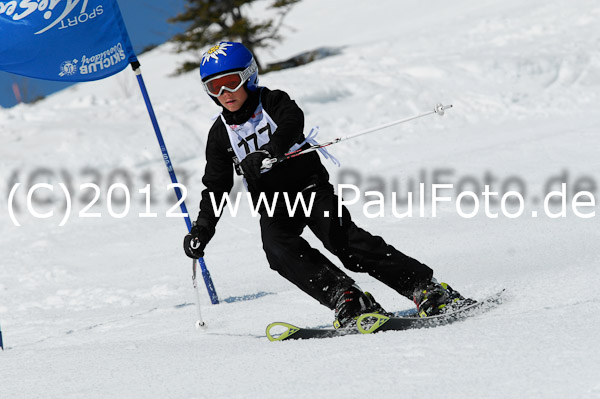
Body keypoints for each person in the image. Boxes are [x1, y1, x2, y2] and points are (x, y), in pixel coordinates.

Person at [183, 41, 472, 327]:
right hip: (272, 203)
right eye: (214, 87)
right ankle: (346, 297)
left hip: (308, 187)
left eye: (231, 83)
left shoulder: (272, 102)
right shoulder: (220, 135)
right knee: (278, 250)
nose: (224, 93)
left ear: (249, 76)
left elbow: (292, 123)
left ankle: (425, 287)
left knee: (341, 240)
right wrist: (203, 229)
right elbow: (216, 188)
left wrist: (269, 151)